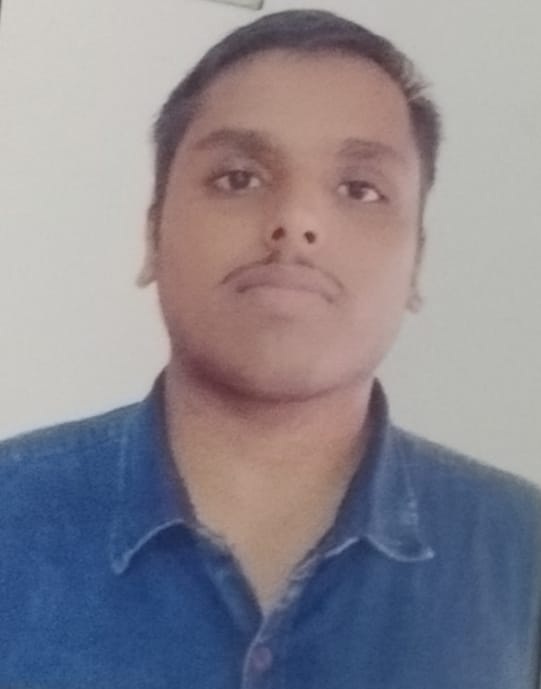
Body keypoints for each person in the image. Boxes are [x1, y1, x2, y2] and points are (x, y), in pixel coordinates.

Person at [1, 9, 539, 689]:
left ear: (416, 266)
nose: (295, 221)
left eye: (359, 189)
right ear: (152, 233)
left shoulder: (523, 553)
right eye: (239, 178)